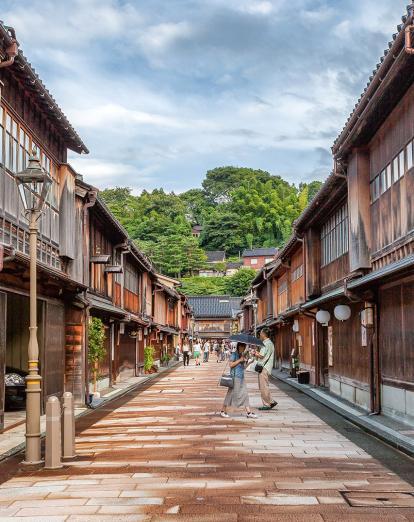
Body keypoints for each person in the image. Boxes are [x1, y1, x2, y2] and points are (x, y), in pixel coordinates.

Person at [220, 343, 257, 419]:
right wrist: (240, 360)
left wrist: (250, 362)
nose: (243, 348)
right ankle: (223, 411)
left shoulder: (242, 355)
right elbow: (230, 365)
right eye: (242, 347)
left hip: (241, 377)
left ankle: (249, 412)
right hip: (235, 377)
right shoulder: (234, 354)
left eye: (244, 347)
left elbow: (243, 367)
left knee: (245, 394)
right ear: (239, 347)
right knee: (230, 394)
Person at [254, 328, 278, 411]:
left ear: (264, 334)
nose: (260, 334)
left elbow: (261, 355)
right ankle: (271, 401)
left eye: (260, 333)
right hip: (267, 367)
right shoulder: (270, 343)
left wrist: (255, 353)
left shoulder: (265, 344)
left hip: (263, 367)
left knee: (263, 386)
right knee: (265, 385)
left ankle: (267, 404)